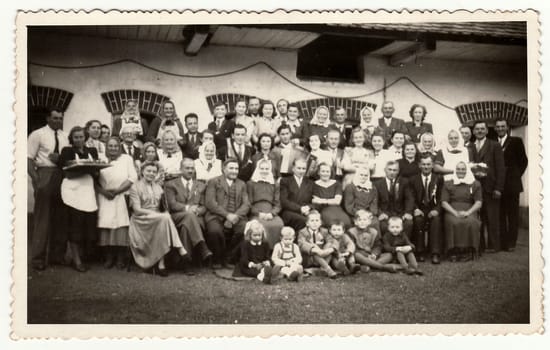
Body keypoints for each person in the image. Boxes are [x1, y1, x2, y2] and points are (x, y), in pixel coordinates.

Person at [128, 161, 187, 276]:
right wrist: (156, 214)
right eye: (148, 171)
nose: (151, 174)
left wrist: (162, 213)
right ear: (142, 172)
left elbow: (163, 207)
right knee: (164, 218)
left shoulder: (158, 187)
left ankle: (161, 263)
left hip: (158, 219)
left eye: (154, 172)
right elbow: (137, 210)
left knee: (164, 219)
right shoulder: (135, 187)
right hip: (141, 219)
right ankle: (179, 248)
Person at [27, 109, 68, 270]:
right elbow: (28, 159)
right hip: (44, 173)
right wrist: (37, 181)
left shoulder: (64, 136)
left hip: (62, 175)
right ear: (48, 118)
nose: (58, 121)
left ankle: (57, 256)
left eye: (60, 118)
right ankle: (38, 259)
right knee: (42, 219)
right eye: (55, 118)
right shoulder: (37, 134)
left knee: (60, 217)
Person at [58, 126, 100, 272]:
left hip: (87, 191)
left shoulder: (91, 151)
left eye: (81, 137)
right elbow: (67, 174)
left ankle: (78, 256)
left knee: (86, 225)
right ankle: (76, 260)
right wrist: (87, 169)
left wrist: (88, 169)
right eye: (76, 137)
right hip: (73, 191)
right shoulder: (67, 151)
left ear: (85, 137)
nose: (79, 139)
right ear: (71, 138)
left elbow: (96, 171)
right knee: (75, 225)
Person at [96, 137, 137, 269]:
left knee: (120, 226)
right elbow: (94, 178)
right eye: (110, 146)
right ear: (106, 147)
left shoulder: (126, 159)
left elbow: (132, 177)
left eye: (115, 146)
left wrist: (118, 190)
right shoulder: (100, 158)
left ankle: (120, 258)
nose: (113, 148)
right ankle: (109, 257)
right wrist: (104, 192)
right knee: (106, 225)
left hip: (120, 195)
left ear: (119, 147)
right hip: (104, 196)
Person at [164, 158, 212, 265]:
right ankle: (202, 246)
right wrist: (187, 208)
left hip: (196, 218)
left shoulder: (201, 185)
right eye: (187, 168)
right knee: (188, 216)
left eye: (192, 168)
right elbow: (172, 204)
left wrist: (197, 211)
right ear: (180, 169)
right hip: (177, 216)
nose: (190, 171)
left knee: (186, 226)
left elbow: (204, 206)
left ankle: (185, 262)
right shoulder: (171, 184)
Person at [205, 158, 250, 268]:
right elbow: (210, 203)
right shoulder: (214, 181)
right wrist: (227, 215)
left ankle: (230, 258)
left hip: (236, 216)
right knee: (214, 231)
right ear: (224, 169)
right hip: (216, 215)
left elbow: (246, 204)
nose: (234, 171)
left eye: (236, 168)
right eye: (231, 168)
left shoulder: (242, 184)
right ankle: (217, 259)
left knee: (243, 228)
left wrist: (236, 216)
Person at [468, 121, 506, 253]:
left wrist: (498, 188)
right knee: (479, 217)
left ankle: (494, 245)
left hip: (491, 186)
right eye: (477, 129)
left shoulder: (494, 145)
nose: (479, 131)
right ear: (473, 131)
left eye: (482, 129)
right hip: (475, 188)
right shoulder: (470, 146)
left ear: (487, 131)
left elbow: (501, 168)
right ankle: (480, 245)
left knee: (492, 217)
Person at [495, 118, 528, 252]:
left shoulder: (516, 141)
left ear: (507, 127)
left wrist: (515, 176)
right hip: (499, 185)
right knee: (500, 215)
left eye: (503, 126)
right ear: (495, 128)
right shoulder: (493, 142)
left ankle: (511, 243)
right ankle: (503, 243)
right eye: (498, 126)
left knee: (512, 215)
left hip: (512, 185)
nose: (500, 128)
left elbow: (524, 161)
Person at [441, 161, 483, 261]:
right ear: (455, 170)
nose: (461, 171)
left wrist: (468, 212)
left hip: (469, 209)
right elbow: (444, 202)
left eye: (463, 169)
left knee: (471, 222)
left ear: (467, 170)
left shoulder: (475, 184)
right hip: (452, 209)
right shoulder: (448, 183)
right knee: (453, 221)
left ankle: (468, 251)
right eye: (458, 169)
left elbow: (478, 202)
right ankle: (453, 251)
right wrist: (455, 213)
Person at [410, 154, 444, 264]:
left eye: (428, 164)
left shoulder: (438, 178)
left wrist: (437, 210)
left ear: (433, 165)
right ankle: (420, 251)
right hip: (420, 208)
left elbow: (441, 197)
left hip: (433, 207)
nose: (426, 166)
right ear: (419, 165)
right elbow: (411, 197)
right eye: (423, 164)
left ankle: (435, 253)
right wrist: (415, 208)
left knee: (436, 220)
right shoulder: (413, 179)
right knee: (418, 220)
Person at [247, 158, 285, 248]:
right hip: (256, 212)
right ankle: (260, 251)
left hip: (270, 212)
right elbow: (248, 202)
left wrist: (272, 213)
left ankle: (274, 251)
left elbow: (277, 203)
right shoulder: (251, 183)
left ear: (270, 170)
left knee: (279, 224)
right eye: (262, 169)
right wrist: (258, 213)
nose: (264, 171)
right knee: (260, 226)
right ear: (258, 169)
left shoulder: (274, 184)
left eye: (267, 169)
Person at [373, 160, 414, 237]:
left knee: (409, 223)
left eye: (394, 170)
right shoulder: (377, 184)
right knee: (383, 226)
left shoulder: (404, 182)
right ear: (385, 170)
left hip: (400, 213)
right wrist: (380, 213)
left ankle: (404, 245)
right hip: (385, 213)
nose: (392, 172)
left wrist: (408, 212)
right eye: (390, 170)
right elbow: (374, 202)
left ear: (398, 171)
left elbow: (409, 199)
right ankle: (387, 247)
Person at [297, 210, 338, 278]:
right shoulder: (302, 232)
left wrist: (327, 250)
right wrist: (316, 250)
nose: (315, 223)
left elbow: (331, 241)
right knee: (314, 250)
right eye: (312, 221)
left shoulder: (324, 231)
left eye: (317, 220)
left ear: (320, 223)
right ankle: (328, 270)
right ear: (307, 223)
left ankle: (321, 269)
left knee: (329, 247)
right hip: (309, 258)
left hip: (322, 257)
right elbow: (302, 244)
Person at [312, 163, 352, 228]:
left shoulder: (337, 184)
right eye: (323, 171)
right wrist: (330, 201)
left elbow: (337, 201)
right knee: (332, 223)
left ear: (331, 173)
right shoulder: (314, 184)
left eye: (327, 171)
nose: (325, 173)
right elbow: (314, 201)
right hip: (323, 210)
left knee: (346, 222)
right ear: (318, 172)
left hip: (337, 209)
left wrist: (321, 200)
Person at [280, 158, 314, 231]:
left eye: (303, 168)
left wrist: (308, 207)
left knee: (315, 220)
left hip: (306, 212)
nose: (301, 171)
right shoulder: (285, 181)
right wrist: (300, 209)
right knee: (306, 221)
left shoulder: (310, 183)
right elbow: (284, 201)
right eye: (299, 168)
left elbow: (314, 201)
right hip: (289, 211)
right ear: (293, 169)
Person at [238, 220, 274, 284]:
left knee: (268, 266)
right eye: (255, 235)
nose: (257, 237)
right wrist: (252, 265)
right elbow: (244, 258)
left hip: (261, 263)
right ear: (250, 235)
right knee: (249, 270)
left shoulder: (265, 244)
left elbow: (267, 255)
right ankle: (263, 277)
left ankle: (266, 273)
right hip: (250, 264)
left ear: (262, 235)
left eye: (259, 235)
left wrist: (267, 261)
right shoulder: (245, 244)